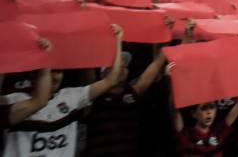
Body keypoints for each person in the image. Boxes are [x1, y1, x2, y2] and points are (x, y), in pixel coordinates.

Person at [3, 25, 125, 157]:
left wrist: (117, 40)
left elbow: (111, 80)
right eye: (50, 71)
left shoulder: (71, 97)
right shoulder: (13, 100)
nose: (55, 77)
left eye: (59, 71)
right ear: (34, 75)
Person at [84, 48, 166, 156]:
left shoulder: (131, 93)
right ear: (103, 74)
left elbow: (155, 65)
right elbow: (87, 71)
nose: (122, 68)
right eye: (117, 66)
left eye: (125, 66)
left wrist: (167, 44)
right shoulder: (94, 97)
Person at [173, 99, 238, 156]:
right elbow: (174, 109)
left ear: (216, 112)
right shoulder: (186, 134)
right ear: (194, 114)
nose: (209, 112)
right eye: (204, 108)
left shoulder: (219, 131)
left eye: (211, 107)